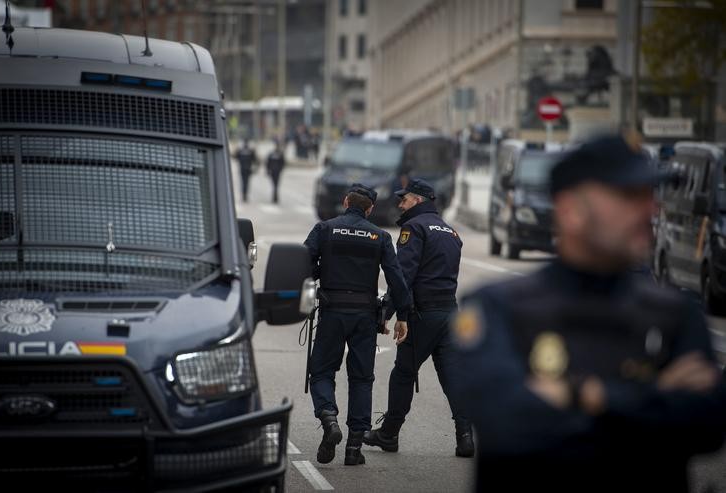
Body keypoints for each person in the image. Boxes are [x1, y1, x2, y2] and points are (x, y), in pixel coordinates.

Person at [454, 133, 726, 493]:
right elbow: (506, 422)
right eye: (629, 196)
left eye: (650, 196)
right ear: (570, 211)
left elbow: (707, 428)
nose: (651, 210)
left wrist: (578, 395)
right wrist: (652, 395)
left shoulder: (675, 314)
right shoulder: (497, 308)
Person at [363, 178, 474, 457]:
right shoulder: (450, 231)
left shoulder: (414, 228)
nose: (400, 204)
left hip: (423, 314)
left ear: (419, 201)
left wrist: (387, 312)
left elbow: (403, 276)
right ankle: (465, 437)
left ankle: (389, 433)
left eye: (405, 199)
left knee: (403, 373)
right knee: (452, 377)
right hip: (450, 312)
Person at [304, 184, 412, 466]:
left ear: (345, 201)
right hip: (364, 316)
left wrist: (319, 271)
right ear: (370, 208)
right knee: (362, 378)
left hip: (332, 312)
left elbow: (302, 264)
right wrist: (402, 315)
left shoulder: (325, 229)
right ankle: (354, 449)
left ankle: (329, 419)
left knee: (322, 371)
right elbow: (396, 279)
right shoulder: (380, 236)